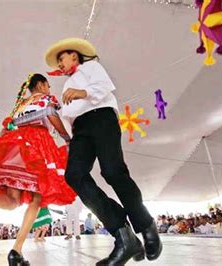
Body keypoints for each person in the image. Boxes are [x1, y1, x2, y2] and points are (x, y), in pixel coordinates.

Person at [44, 37, 162, 264]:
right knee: (74, 175)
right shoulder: (67, 85)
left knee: (112, 171)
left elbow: (105, 87)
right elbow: (70, 114)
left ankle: (146, 224)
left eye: (62, 58)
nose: (59, 64)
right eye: (57, 61)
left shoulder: (91, 67)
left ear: (74, 55)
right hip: (80, 130)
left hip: (101, 118)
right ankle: (122, 234)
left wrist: (83, 93)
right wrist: (68, 137)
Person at [0, 73, 76, 265]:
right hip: (37, 145)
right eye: (48, 86)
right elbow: (52, 115)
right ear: (41, 85)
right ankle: (16, 250)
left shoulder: (20, 105)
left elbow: (8, 128)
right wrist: (67, 137)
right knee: (36, 198)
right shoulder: (44, 99)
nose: (49, 89)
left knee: (13, 199)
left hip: (16, 147)